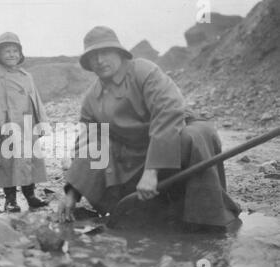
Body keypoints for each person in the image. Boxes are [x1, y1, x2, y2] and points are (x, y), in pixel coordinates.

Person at [59, 26, 241, 229]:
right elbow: (92, 145)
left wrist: (152, 171)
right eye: (93, 56)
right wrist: (72, 193)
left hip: (174, 136)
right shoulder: (91, 99)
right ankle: (156, 210)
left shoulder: (144, 71)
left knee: (194, 136)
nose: (100, 60)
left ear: (119, 52)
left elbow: (169, 114)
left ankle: (207, 220)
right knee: (138, 219)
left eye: (105, 52)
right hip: (135, 154)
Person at [0, 32, 48, 213]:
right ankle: (10, 199)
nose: (11, 54)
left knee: (29, 161)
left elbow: (36, 99)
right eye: (7, 51)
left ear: (20, 54)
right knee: (8, 164)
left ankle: (30, 195)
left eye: (15, 51)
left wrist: (41, 123)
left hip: (27, 126)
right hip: (7, 129)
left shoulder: (27, 76)